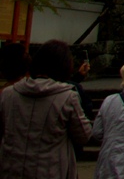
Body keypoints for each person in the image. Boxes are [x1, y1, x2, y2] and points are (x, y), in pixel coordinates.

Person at [0, 39, 92, 179]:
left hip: (11, 169)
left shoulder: (8, 94)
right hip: (51, 169)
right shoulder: (68, 97)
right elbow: (84, 135)